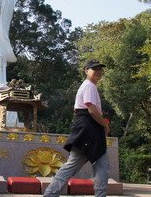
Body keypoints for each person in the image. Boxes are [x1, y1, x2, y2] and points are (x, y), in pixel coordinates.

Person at [43, 59, 110, 197]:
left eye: (100, 69)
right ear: (86, 70)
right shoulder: (89, 86)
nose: (98, 71)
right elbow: (91, 109)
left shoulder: (89, 86)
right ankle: (50, 194)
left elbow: (82, 110)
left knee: (98, 165)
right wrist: (104, 124)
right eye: (94, 68)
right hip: (89, 129)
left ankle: (50, 194)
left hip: (87, 128)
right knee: (99, 166)